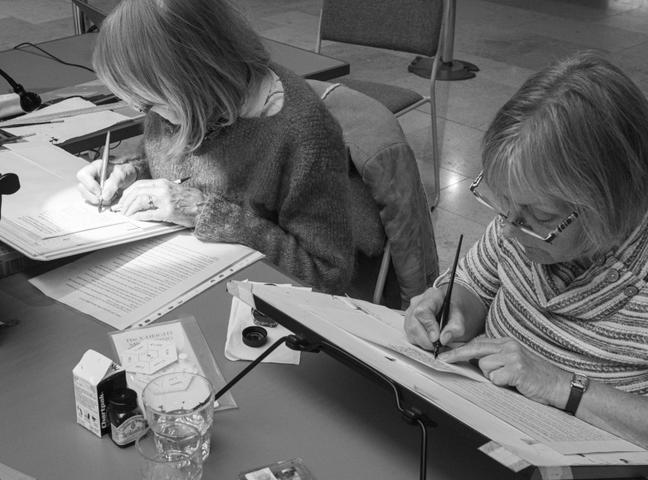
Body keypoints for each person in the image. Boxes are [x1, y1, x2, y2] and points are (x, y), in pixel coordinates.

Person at [404, 52, 648, 448]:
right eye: (504, 205)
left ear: (609, 205)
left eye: (539, 216)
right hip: (470, 430)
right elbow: (474, 284)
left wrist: (559, 384)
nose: (509, 230)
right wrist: (451, 310)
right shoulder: (520, 219)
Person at [76, 0, 384, 294]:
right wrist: (129, 169)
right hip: (182, 275)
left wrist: (206, 213)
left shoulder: (302, 134)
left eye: (148, 101)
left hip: (255, 305)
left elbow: (326, 275)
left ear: (197, 78)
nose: (147, 114)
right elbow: (181, 165)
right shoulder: (189, 104)